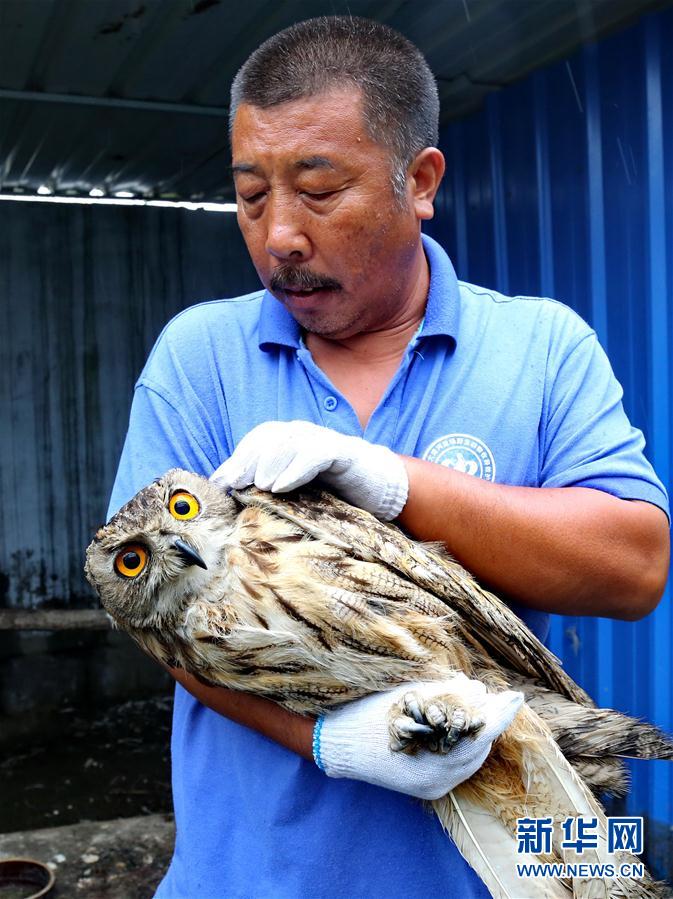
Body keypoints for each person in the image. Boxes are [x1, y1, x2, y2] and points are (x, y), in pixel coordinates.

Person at [107, 16, 670, 899]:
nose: (279, 235)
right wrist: (331, 741)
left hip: (504, 872)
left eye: (319, 190)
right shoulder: (199, 357)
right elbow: (156, 617)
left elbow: (634, 567)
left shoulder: (540, 343)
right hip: (255, 877)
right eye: (251, 196)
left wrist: (396, 482)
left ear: (420, 180)